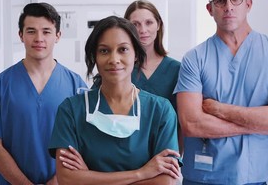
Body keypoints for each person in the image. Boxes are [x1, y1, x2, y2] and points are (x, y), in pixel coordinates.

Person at [174, 0, 268, 185]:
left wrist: (220, 109)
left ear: (248, 4)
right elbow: (192, 124)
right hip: (203, 177)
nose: (228, 7)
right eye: (220, 1)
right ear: (210, 9)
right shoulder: (194, 58)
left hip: (254, 175)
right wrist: (259, 124)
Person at [49, 16, 182, 185]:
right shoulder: (71, 110)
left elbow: (166, 181)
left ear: (135, 54)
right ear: (94, 57)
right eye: (104, 51)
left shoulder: (161, 110)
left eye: (123, 49)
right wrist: (142, 174)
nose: (114, 59)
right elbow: (67, 179)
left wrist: (88, 177)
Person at [0, 2, 87, 185]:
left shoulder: (76, 85)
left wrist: (56, 181)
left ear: (58, 36)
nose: (39, 38)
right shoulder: (1, 85)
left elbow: (83, 143)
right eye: (31, 31)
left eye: (46, 32)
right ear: (21, 35)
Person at [124, 0, 180, 110]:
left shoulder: (177, 69)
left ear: (158, 25)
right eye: (135, 24)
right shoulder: (120, 68)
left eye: (149, 23)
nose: (143, 30)